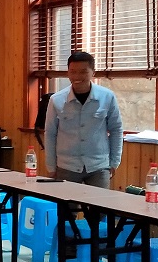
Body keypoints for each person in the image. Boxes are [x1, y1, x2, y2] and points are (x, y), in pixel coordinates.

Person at [45, 51, 123, 189]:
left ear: (93, 72)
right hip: (66, 166)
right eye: (73, 72)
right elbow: (50, 133)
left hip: (99, 166)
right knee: (66, 204)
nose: (77, 76)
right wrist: (51, 166)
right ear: (68, 73)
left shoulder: (107, 97)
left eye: (83, 72)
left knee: (98, 203)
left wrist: (114, 162)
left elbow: (116, 130)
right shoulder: (56, 100)